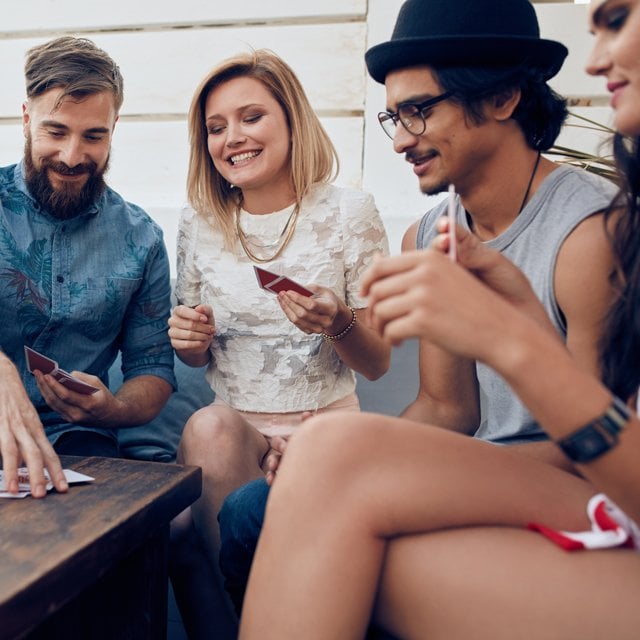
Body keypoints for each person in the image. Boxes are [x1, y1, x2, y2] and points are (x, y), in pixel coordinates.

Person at [238, 0, 640, 637]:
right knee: (249, 510)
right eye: (392, 116)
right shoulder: (431, 234)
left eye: (419, 110)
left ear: (505, 96)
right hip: (483, 466)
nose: (400, 139)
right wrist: (358, 457)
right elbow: (449, 409)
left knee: (314, 490)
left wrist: (370, 463)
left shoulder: (588, 235)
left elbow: (594, 452)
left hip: (578, 483)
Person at [167, 49, 390, 638]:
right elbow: (196, 352)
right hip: (233, 438)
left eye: (251, 117)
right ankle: (255, 622)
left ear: (291, 120)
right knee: (207, 427)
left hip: (325, 429)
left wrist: (338, 323)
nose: (231, 138)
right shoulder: (199, 222)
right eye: (215, 128)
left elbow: (378, 362)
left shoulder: (350, 212)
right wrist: (189, 338)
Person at [0, 36, 175, 497]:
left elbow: (153, 368)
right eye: (55, 132)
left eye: (93, 136)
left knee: (110, 535)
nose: (73, 157)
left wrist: (114, 409)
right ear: (25, 119)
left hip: (78, 443)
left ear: (114, 128)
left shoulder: (142, 239)